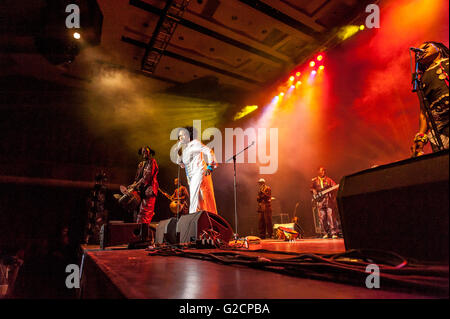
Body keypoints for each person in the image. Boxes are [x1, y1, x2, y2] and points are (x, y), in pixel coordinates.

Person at [411, 41, 449, 156]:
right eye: (418, 51)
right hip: (439, 127)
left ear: (439, 48)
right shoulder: (420, 80)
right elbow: (424, 111)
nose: (421, 51)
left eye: (426, 47)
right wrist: (420, 136)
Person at [177, 127, 218, 215]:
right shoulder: (185, 149)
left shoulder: (195, 143)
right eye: (179, 136)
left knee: (194, 197)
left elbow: (209, 151)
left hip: (199, 171)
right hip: (191, 176)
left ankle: (193, 217)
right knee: (201, 200)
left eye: (183, 135)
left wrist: (210, 166)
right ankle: (205, 218)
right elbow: (182, 165)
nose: (180, 137)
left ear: (188, 135)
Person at [310, 167, 338, 239]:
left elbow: (335, 186)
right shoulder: (315, 180)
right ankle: (326, 232)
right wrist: (314, 192)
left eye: (324, 170)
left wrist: (335, 188)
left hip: (328, 200)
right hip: (320, 201)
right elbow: (311, 188)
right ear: (318, 172)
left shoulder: (329, 180)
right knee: (322, 217)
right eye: (321, 171)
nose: (323, 172)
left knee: (331, 216)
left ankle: (333, 232)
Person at [133, 146, 159, 224]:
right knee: (137, 213)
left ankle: (145, 234)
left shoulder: (152, 161)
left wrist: (136, 185)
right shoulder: (140, 164)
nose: (145, 153)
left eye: (147, 151)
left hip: (149, 190)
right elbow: (137, 178)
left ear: (149, 153)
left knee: (145, 214)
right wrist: (133, 185)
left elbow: (147, 176)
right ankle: (138, 233)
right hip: (141, 191)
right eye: (143, 151)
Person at [84, 171, 109, 244]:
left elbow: (103, 205)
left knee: (99, 228)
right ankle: (89, 239)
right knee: (93, 227)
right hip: (95, 215)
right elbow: (93, 205)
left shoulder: (102, 192)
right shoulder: (95, 191)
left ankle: (97, 239)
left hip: (99, 215)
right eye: (102, 181)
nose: (103, 183)